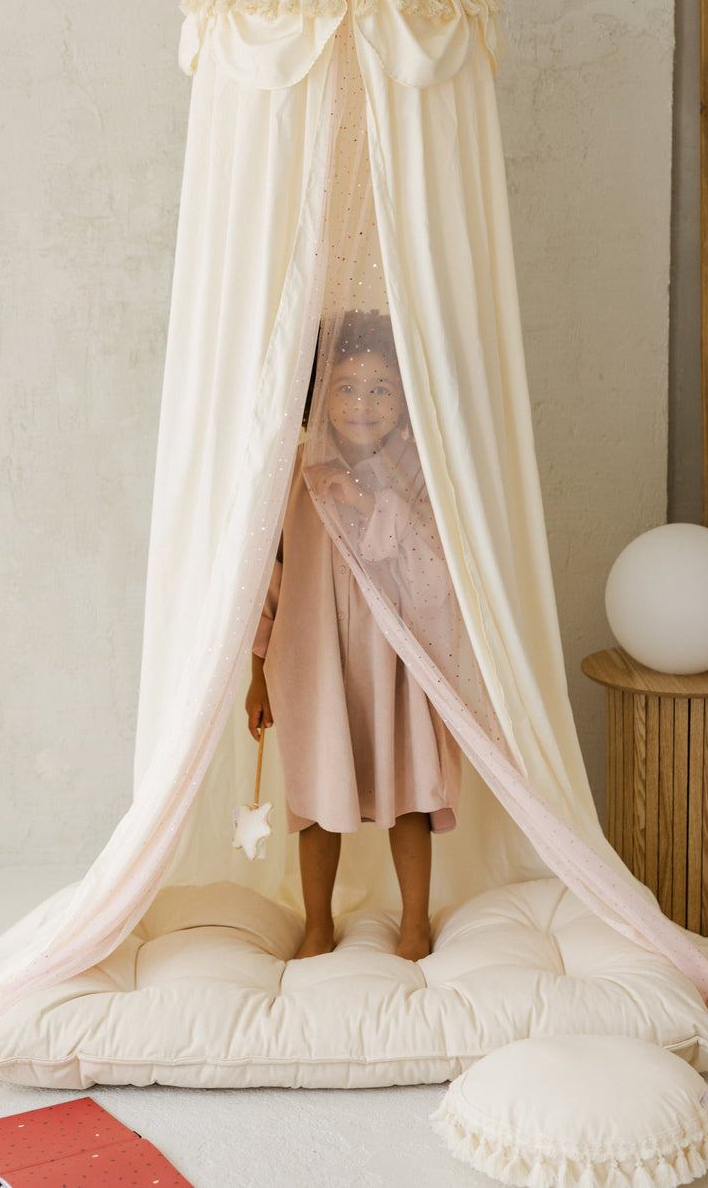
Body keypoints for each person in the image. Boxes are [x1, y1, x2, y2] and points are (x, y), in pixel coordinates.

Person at [245, 311, 464, 963]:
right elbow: (270, 579)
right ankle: (318, 923)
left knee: (408, 802)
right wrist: (258, 673)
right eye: (345, 386)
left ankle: (415, 924)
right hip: (316, 664)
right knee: (316, 799)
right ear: (319, 393)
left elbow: (434, 568)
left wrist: (369, 501)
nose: (362, 403)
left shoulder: (417, 472)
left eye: (380, 388)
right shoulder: (297, 475)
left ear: (403, 396)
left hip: (396, 664)